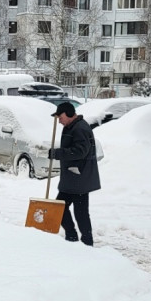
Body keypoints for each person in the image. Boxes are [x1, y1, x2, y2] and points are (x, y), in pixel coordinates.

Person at [48, 102, 100, 246]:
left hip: (79, 178)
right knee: (62, 208)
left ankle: (84, 241)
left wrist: (58, 153)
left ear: (69, 113)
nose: (59, 121)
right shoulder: (72, 126)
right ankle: (74, 237)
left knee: (78, 212)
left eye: (60, 117)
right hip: (73, 178)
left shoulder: (80, 128)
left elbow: (80, 151)